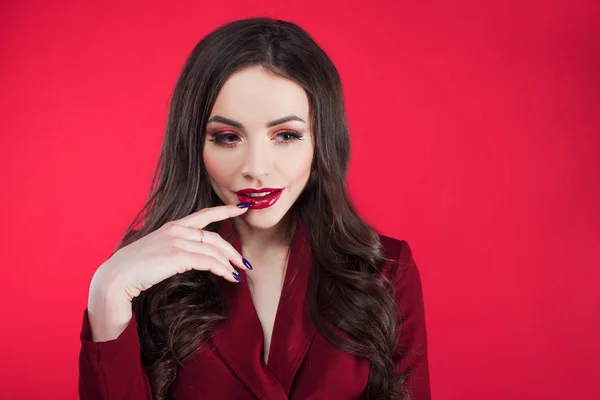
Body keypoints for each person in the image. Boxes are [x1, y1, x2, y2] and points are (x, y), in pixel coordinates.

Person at [78, 17, 431, 400]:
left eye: (286, 135)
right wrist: (107, 293)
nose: (256, 168)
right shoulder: (148, 272)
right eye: (228, 137)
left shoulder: (385, 271)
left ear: (321, 141)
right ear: (195, 145)